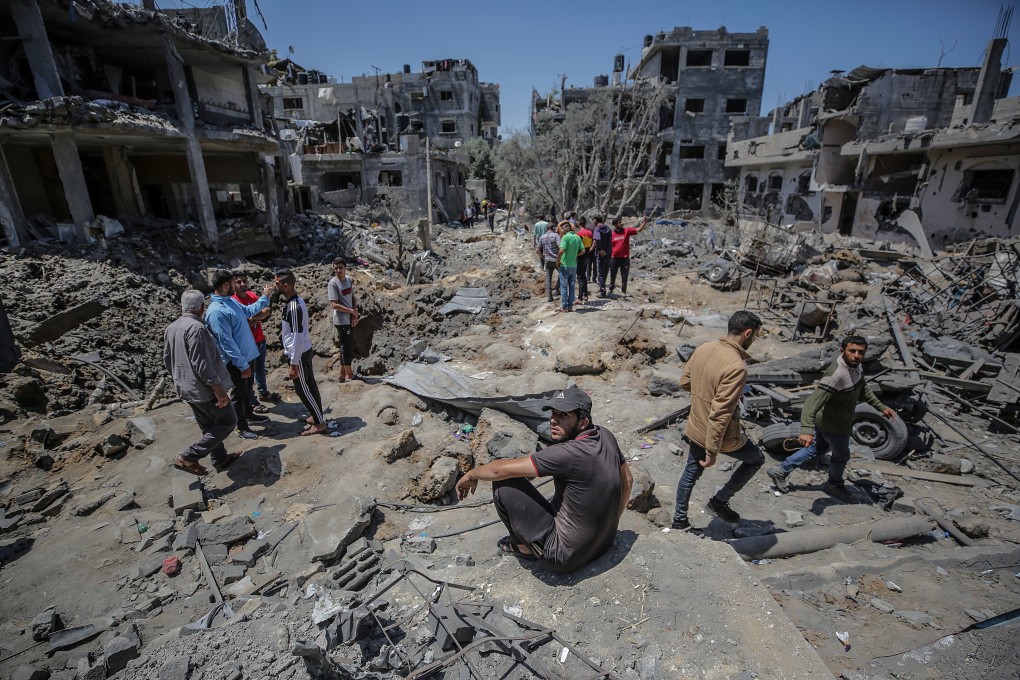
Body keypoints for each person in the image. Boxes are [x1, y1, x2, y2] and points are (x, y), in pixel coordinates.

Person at [455, 387, 633, 572]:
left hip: (563, 557)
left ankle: (524, 548)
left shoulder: (566, 453)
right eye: (553, 413)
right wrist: (610, 525)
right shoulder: (605, 435)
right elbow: (627, 481)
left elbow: (497, 470)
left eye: (564, 415)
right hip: (604, 543)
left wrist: (470, 474)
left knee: (505, 483)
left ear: (583, 422)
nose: (554, 420)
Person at [768, 336, 897, 501]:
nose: (857, 356)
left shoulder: (855, 366)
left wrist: (881, 407)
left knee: (817, 448)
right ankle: (834, 485)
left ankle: (780, 470)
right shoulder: (837, 375)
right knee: (841, 456)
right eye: (852, 351)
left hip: (828, 420)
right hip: (835, 426)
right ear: (842, 351)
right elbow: (811, 403)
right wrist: (806, 430)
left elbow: (863, 388)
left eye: (861, 352)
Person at [672, 311, 765, 532]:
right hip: (719, 435)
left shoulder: (704, 347)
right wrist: (712, 451)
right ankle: (720, 501)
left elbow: (684, 382)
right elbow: (720, 414)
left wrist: (703, 393)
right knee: (756, 459)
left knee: (690, 473)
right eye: (755, 336)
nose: (754, 340)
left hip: (696, 423)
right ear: (747, 333)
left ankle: (679, 521)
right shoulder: (737, 366)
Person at [164, 290, 242, 476]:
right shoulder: (197, 328)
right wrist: (218, 390)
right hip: (204, 389)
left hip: (186, 388)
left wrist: (180, 379)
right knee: (228, 421)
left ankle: (220, 459)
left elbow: (167, 359)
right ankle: (189, 456)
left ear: (181, 307)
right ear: (201, 308)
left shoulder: (172, 328)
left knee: (208, 424)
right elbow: (202, 363)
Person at [205, 269, 274, 440]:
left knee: (247, 390)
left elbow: (249, 311)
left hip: (247, 357)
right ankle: (240, 427)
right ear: (226, 285)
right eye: (233, 282)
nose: (237, 286)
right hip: (237, 362)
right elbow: (226, 342)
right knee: (238, 393)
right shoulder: (217, 311)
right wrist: (241, 364)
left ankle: (248, 414)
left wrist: (264, 297)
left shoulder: (230, 302)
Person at [276, 269, 327, 435]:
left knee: (303, 390)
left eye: (277, 283)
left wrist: (293, 363)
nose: (275, 286)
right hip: (303, 351)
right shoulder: (296, 301)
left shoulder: (294, 307)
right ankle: (316, 415)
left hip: (299, 354)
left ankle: (319, 423)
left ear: (286, 285)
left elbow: (297, 337)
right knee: (310, 386)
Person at [231, 272, 278, 410]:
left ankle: (263, 393)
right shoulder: (233, 301)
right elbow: (244, 323)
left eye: (244, 281)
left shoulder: (251, 296)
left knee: (260, 369)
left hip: (259, 340)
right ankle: (252, 401)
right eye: (238, 282)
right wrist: (257, 317)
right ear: (233, 284)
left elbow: (267, 310)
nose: (243, 284)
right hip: (246, 344)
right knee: (248, 374)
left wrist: (253, 318)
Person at [327, 258, 359, 383]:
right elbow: (334, 305)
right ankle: (349, 375)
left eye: (340, 267)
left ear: (345, 267)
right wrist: (350, 311)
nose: (338, 270)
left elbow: (353, 297)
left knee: (347, 345)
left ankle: (342, 375)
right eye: (336, 268)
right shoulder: (333, 284)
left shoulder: (348, 280)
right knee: (346, 347)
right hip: (341, 320)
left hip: (349, 318)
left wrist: (354, 312)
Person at [609, 214, 649, 296]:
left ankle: (623, 292)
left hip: (624, 259)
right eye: (619, 222)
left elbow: (638, 229)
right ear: (615, 224)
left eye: (621, 221)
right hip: (614, 258)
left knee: (624, 276)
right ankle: (611, 290)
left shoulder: (626, 231)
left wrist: (644, 222)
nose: (621, 223)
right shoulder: (611, 234)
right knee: (612, 275)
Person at [557, 221, 584, 313]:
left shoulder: (565, 237)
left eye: (562, 228)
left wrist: (558, 260)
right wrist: (575, 255)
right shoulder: (577, 237)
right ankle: (570, 306)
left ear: (567, 228)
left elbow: (561, 250)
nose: (561, 230)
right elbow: (583, 251)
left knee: (564, 287)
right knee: (572, 286)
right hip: (573, 266)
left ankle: (564, 306)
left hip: (565, 265)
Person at [538, 221, 561, 304]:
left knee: (548, 279)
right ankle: (557, 289)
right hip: (556, 260)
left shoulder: (542, 237)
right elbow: (560, 246)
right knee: (562, 274)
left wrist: (543, 257)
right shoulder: (556, 236)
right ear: (554, 228)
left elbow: (537, 250)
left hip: (547, 260)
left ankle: (549, 297)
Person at [592, 215, 612, 296]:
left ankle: (602, 291)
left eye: (593, 220)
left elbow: (597, 239)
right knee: (605, 271)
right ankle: (602, 287)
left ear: (595, 220)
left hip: (601, 253)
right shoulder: (608, 228)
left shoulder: (597, 229)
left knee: (600, 272)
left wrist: (599, 249)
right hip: (608, 253)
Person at [574, 217, 593, 304]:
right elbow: (590, 244)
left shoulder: (578, 234)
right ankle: (585, 294)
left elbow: (578, 246)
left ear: (579, 223)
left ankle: (580, 297)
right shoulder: (589, 233)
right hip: (587, 255)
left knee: (580, 277)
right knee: (583, 276)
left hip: (580, 256)